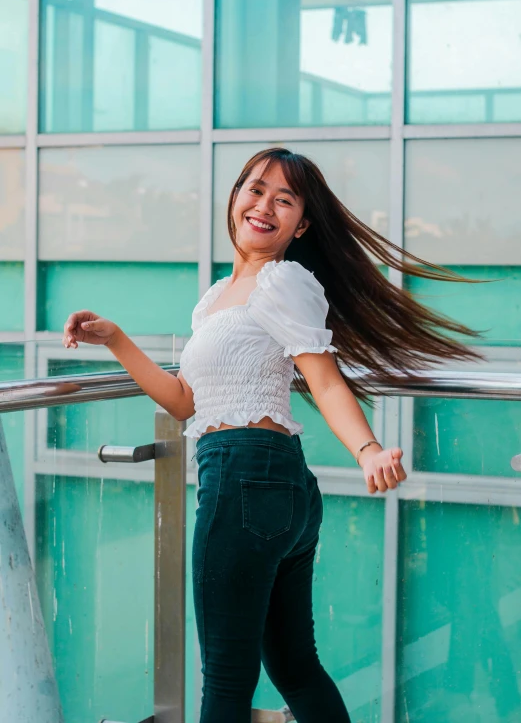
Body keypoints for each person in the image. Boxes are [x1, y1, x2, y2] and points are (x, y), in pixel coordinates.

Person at [63, 148, 482, 722]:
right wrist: (114, 338)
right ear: (235, 197)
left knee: (227, 683)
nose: (265, 206)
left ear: (301, 224)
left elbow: (325, 381)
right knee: (294, 667)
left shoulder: (284, 281)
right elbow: (185, 400)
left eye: (284, 200)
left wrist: (366, 449)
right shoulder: (216, 298)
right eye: (255, 190)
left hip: (242, 482)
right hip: (275, 487)